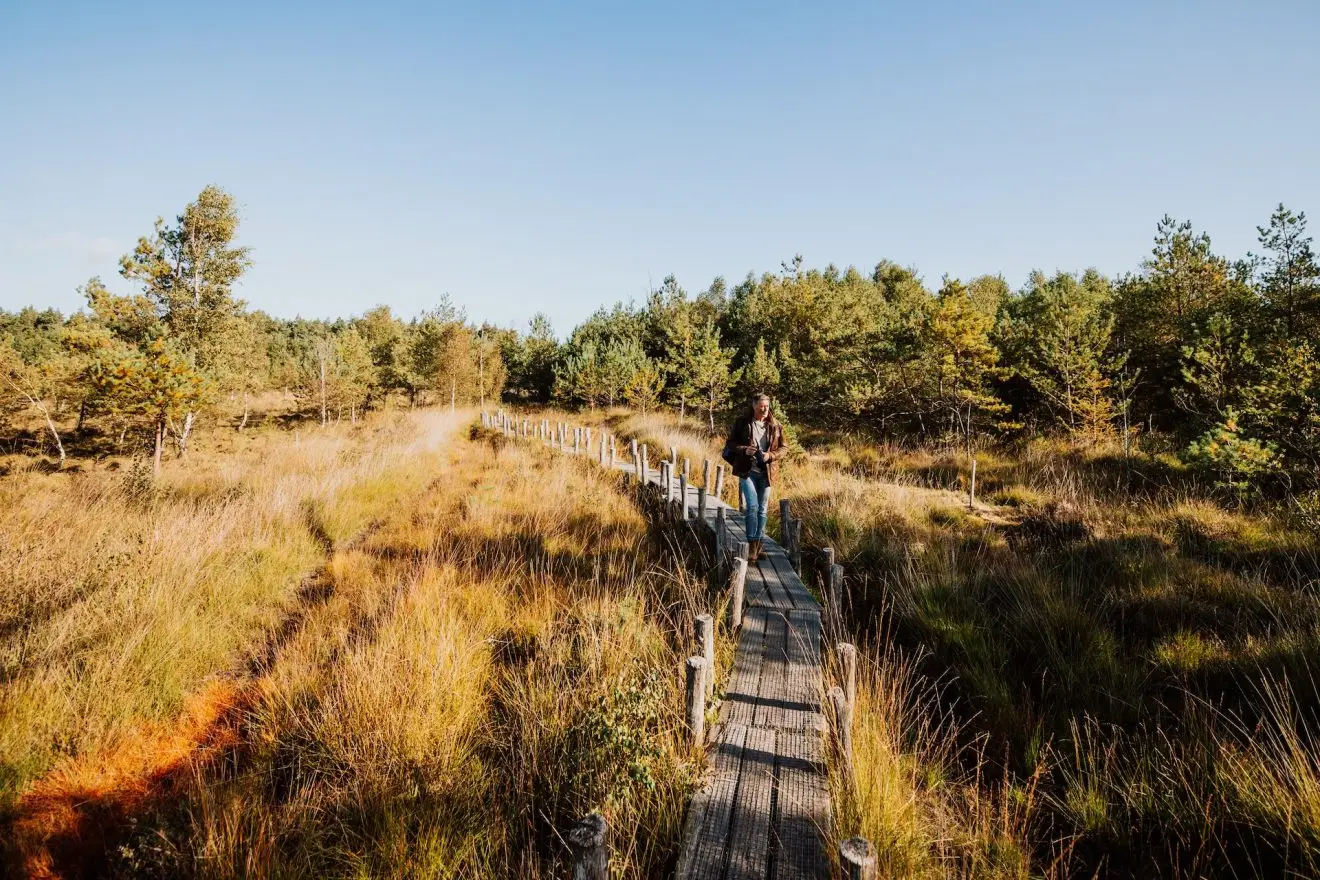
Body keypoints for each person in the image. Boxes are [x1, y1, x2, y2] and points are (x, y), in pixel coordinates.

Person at [721, 393, 786, 561]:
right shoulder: (743, 422)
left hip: (767, 473)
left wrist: (770, 455)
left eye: (767, 406)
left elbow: (784, 448)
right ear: (754, 406)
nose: (765, 409)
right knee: (752, 507)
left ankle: (758, 545)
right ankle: (751, 547)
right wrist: (744, 450)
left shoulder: (775, 425)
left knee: (762, 509)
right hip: (747, 470)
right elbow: (730, 443)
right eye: (761, 406)